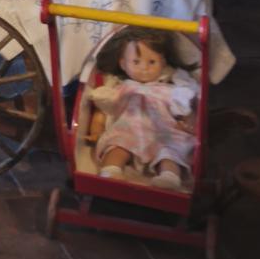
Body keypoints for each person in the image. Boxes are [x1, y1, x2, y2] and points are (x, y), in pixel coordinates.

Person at [85, 25, 198, 187]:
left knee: (170, 150)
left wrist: (189, 124)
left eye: (152, 62)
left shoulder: (171, 90)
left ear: (163, 63)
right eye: (136, 62)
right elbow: (103, 110)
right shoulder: (121, 87)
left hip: (162, 130)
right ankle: (111, 169)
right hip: (129, 127)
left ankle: (169, 176)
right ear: (123, 64)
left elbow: (185, 109)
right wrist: (96, 130)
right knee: (117, 144)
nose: (144, 68)